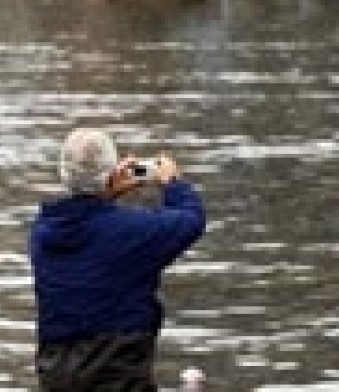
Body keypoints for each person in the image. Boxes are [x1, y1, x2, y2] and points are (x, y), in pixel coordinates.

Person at [28, 128, 206, 391]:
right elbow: (191, 219)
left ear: (64, 174)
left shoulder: (44, 234)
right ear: (111, 173)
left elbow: (90, 228)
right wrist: (172, 182)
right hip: (119, 377)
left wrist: (106, 193)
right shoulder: (132, 232)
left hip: (57, 377)